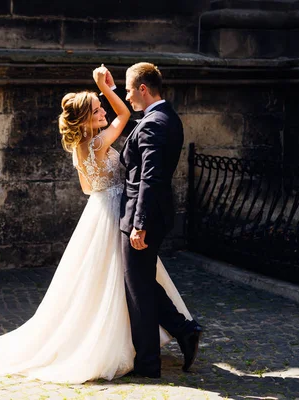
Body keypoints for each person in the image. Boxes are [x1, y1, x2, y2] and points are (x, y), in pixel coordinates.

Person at [0, 65, 193, 384]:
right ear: (87, 120)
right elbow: (122, 116)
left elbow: (87, 188)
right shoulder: (98, 143)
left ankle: (152, 343)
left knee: (125, 280)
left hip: (101, 207)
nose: (103, 111)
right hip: (114, 212)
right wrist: (104, 88)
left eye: (100, 106)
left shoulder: (81, 148)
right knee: (128, 280)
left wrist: (108, 184)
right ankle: (152, 341)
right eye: (96, 110)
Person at [115, 62, 203, 378]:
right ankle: (184, 329)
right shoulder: (168, 117)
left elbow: (150, 178)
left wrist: (139, 224)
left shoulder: (154, 123)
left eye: (127, 90)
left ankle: (148, 364)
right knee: (141, 282)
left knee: (137, 289)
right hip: (153, 213)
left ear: (142, 88)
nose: (126, 96)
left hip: (144, 215)